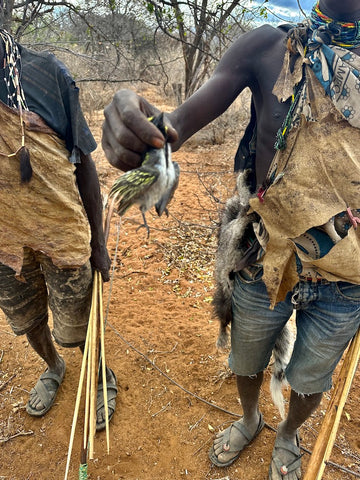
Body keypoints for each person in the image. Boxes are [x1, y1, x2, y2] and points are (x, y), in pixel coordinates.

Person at [101, 0, 360, 478]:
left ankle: (287, 434)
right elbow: (173, 128)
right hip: (261, 255)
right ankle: (250, 418)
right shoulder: (267, 47)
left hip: (349, 277)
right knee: (246, 357)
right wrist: (141, 128)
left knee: (310, 378)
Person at [0, 29, 117, 431]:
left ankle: (100, 376)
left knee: (79, 319)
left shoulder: (44, 73)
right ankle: (53, 366)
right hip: (3, 242)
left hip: (61, 230)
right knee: (27, 318)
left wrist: (98, 244)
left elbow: (83, 162)